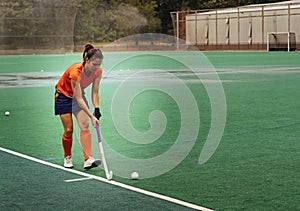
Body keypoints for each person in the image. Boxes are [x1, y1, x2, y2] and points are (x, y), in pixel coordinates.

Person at [54, 43, 103, 169]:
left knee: (85, 126)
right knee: (69, 130)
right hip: (64, 97)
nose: (97, 67)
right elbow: (79, 99)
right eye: (94, 64)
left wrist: (96, 108)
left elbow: (95, 92)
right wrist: (92, 116)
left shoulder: (97, 72)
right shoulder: (76, 72)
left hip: (78, 96)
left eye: (99, 65)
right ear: (87, 60)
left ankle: (88, 159)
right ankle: (67, 157)